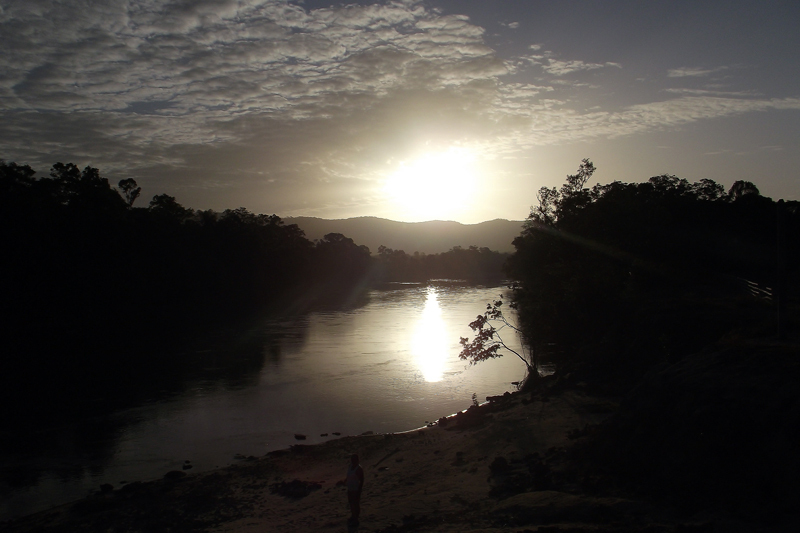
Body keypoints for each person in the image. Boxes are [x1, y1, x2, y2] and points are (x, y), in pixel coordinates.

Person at [345, 453, 364, 525]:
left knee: (355, 503)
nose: (353, 461)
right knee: (351, 503)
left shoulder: (359, 468)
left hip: (356, 488)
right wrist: (345, 481)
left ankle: (356, 518)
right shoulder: (350, 466)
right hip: (350, 487)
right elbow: (349, 475)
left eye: (354, 460)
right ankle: (353, 516)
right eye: (352, 460)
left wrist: (359, 489)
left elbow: (362, 480)